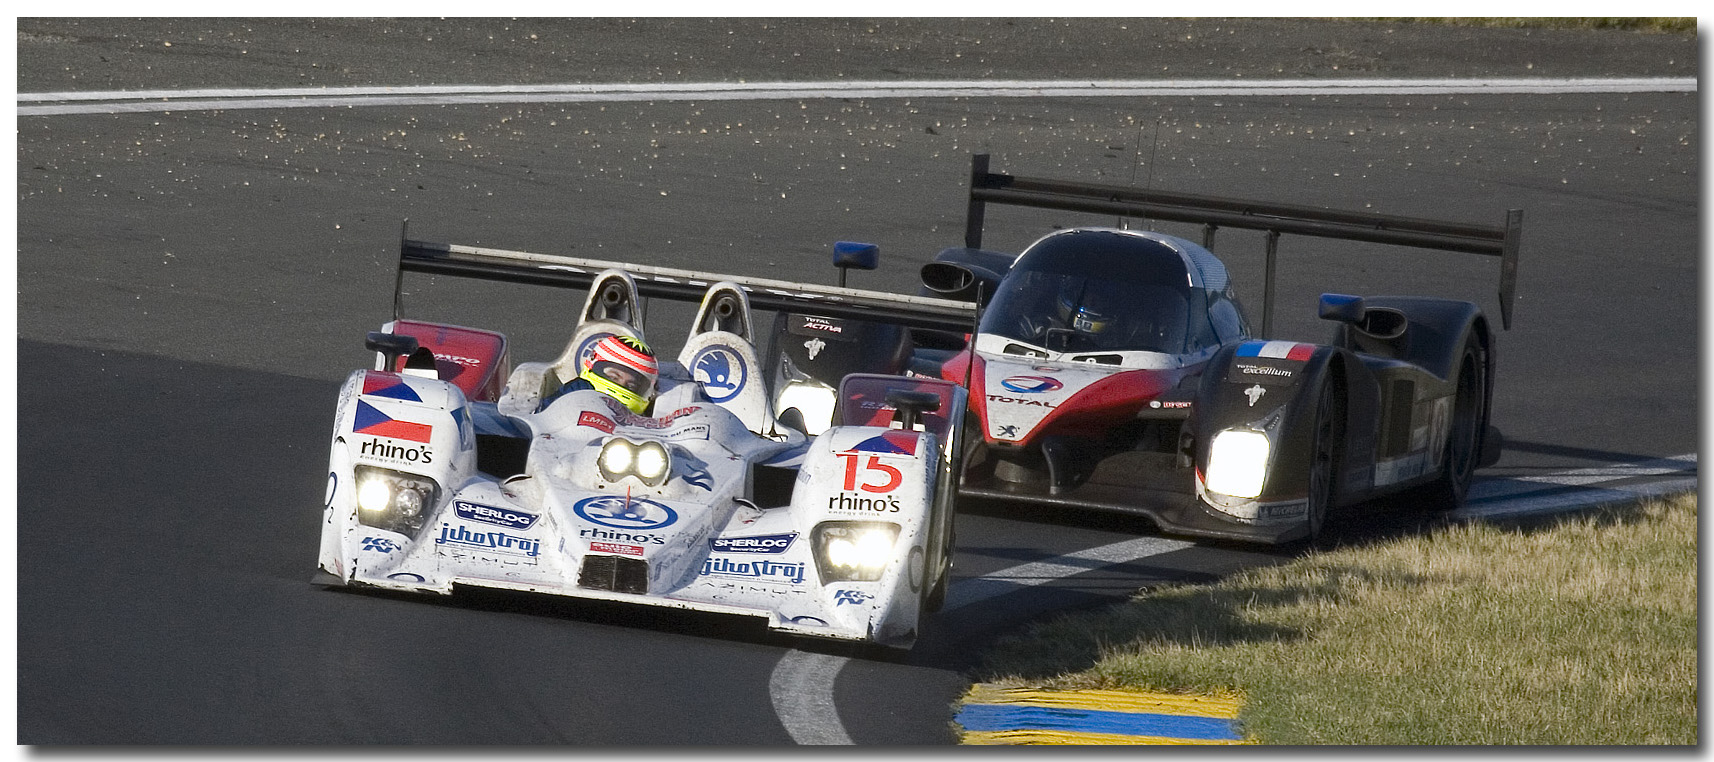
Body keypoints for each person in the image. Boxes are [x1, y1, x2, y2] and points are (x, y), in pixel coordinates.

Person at [542, 334, 659, 414]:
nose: (621, 385)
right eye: (614, 377)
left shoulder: (645, 416)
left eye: (631, 385)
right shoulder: (577, 390)